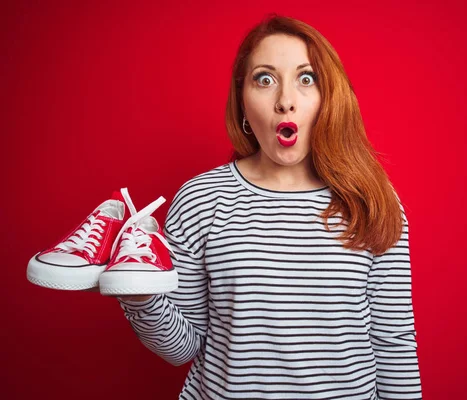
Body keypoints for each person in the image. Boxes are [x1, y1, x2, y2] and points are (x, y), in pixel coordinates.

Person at [118, 14, 423, 400]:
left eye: (306, 78)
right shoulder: (201, 200)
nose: (285, 101)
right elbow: (183, 348)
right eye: (265, 79)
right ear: (242, 100)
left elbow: (393, 341)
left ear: (329, 97)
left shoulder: (372, 200)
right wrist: (136, 290)